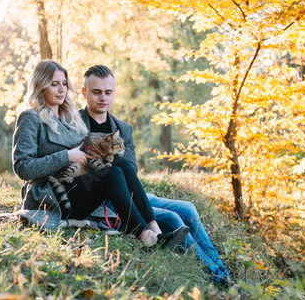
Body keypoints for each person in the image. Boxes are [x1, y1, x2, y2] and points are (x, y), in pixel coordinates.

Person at [79, 64, 232, 287]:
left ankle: (223, 273)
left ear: (114, 93)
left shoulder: (123, 129)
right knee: (172, 219)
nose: (103, 97)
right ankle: (219, 280)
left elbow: (129, 168)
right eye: (96, 92)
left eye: (108, 92)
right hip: (105, 199)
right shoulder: (74, 124)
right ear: (84, 93)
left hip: (132, 192)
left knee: (188, 208)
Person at [12, 59, 188, 248]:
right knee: (112, 173)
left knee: (118, 162)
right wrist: (67, 156)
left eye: (64, 83)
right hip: (52, 194)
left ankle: (155, 230)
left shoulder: (72, 119)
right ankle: (145, 234)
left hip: (79, 188)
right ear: (41, 86)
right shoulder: (30, 118)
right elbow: (22, 167)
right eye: (54, 84)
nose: (61, 89)